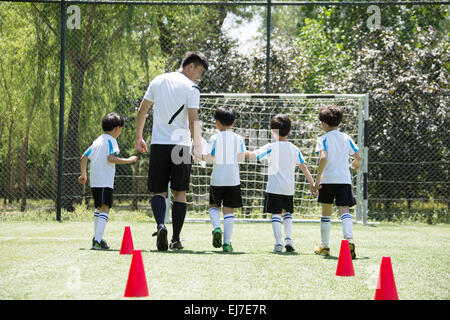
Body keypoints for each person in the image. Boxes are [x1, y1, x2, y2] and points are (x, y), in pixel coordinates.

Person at [135, 51, 208, 251]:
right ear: (190, 66)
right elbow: (194, 119)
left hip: (158, 143)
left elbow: (143, 110)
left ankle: (160, 225)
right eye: (199, 71)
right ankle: (175, 238)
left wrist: (139, 137)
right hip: (181, 145)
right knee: (180, 191)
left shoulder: (158, 81)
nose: (198, 77)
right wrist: (198, 144)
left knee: (159, 191)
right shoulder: (191, 87)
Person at [246, 114, 317, 253]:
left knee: (275, 214)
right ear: (289, 131)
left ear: (273, 132)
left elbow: (254, 155)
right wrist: (312, 183)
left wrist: (240, 152)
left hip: (274, 188)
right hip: (288, 188)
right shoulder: (294, 149)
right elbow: (303, 166)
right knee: (288, 214)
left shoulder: (271, 146)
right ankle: (289, 239)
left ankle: (278, 243)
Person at [78, 112, 138, 250]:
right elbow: (111, 158)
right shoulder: (111, 140)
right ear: (117, 128)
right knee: (106, 208)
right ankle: (97, 240)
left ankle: (96, 238)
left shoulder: (97, 141)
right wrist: (128, 160)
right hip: (105, 180)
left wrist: (83, 174)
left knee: (99, 207)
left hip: (95, 180)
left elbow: (83, 157)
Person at [313, 105, 361, 259]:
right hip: (344, 180)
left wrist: (317, 179)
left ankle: (325, 246)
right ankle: (349, 239)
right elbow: (358, 157)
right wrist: (356, 164)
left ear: (324, 124)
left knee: (326, 213)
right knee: (344, 210)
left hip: (327, 181)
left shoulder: (322, 139)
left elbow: (323, 157)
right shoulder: (346, 138)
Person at [202, 106, 246, 252]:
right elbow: (241, 159)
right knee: (229, 211)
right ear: (234, 123)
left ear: (217, 122)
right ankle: (227, 243)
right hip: (233, 180)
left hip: (217, 180)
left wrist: (199, 154)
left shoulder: (214, 138)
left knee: (214, 207)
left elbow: (208, 158)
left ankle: (216, 228)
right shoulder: (239, 139)